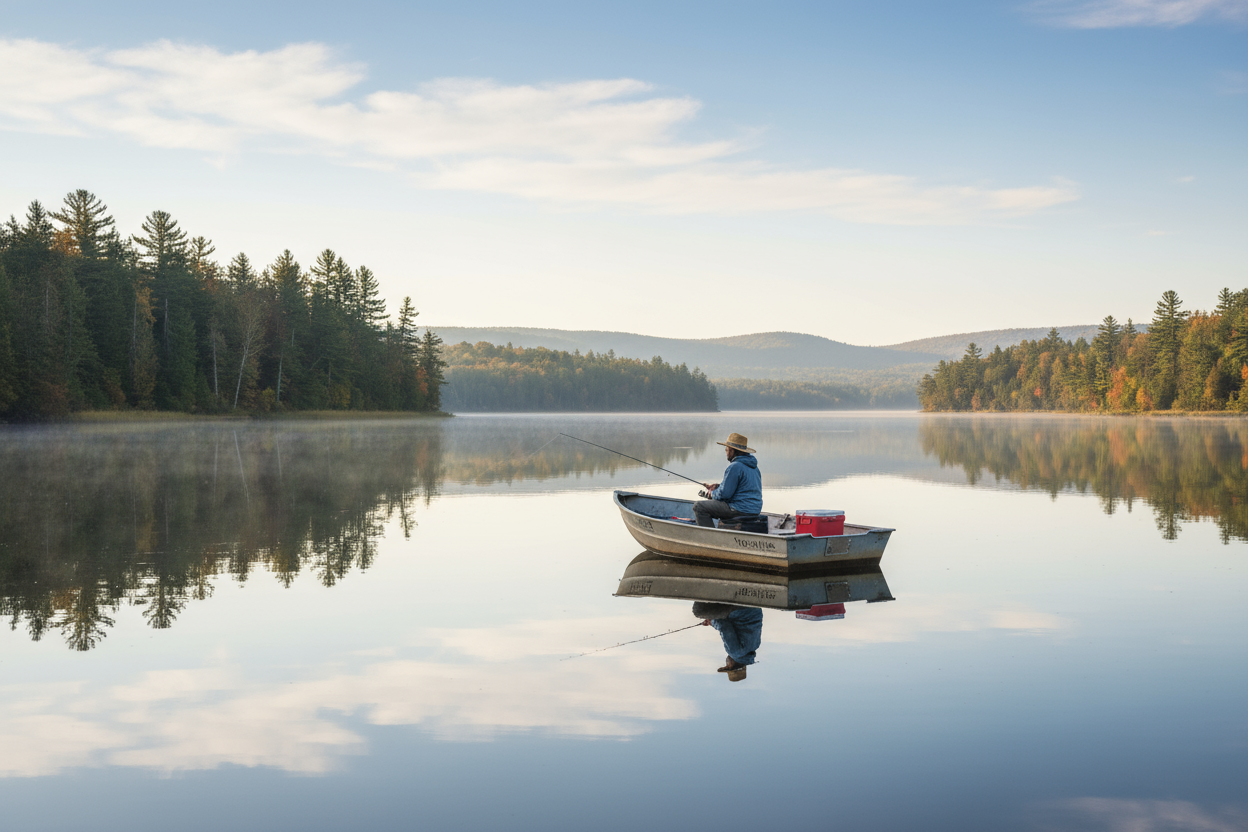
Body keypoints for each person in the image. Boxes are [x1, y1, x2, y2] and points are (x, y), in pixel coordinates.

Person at [694, 432, 762, 528]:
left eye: (727, 449)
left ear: (732, 451)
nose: (726, 452)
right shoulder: (754, 467)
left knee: (699, 507)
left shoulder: (735, 466)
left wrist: (711, 494)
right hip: (754, 510)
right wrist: (718, 486)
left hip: (739, 509)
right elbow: (742, 487)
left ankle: (710, 538)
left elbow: (725, 495)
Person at [693, 601, 763, 682]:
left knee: (716, 609)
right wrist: (712, 621)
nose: (726, 662)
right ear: (730, 665)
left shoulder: (755, 646)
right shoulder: (735, 653)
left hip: (755, 609)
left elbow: (738, 626)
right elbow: (724, 627)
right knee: (699, 611)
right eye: (726, 664)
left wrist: (713, 622)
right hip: (740, 610)